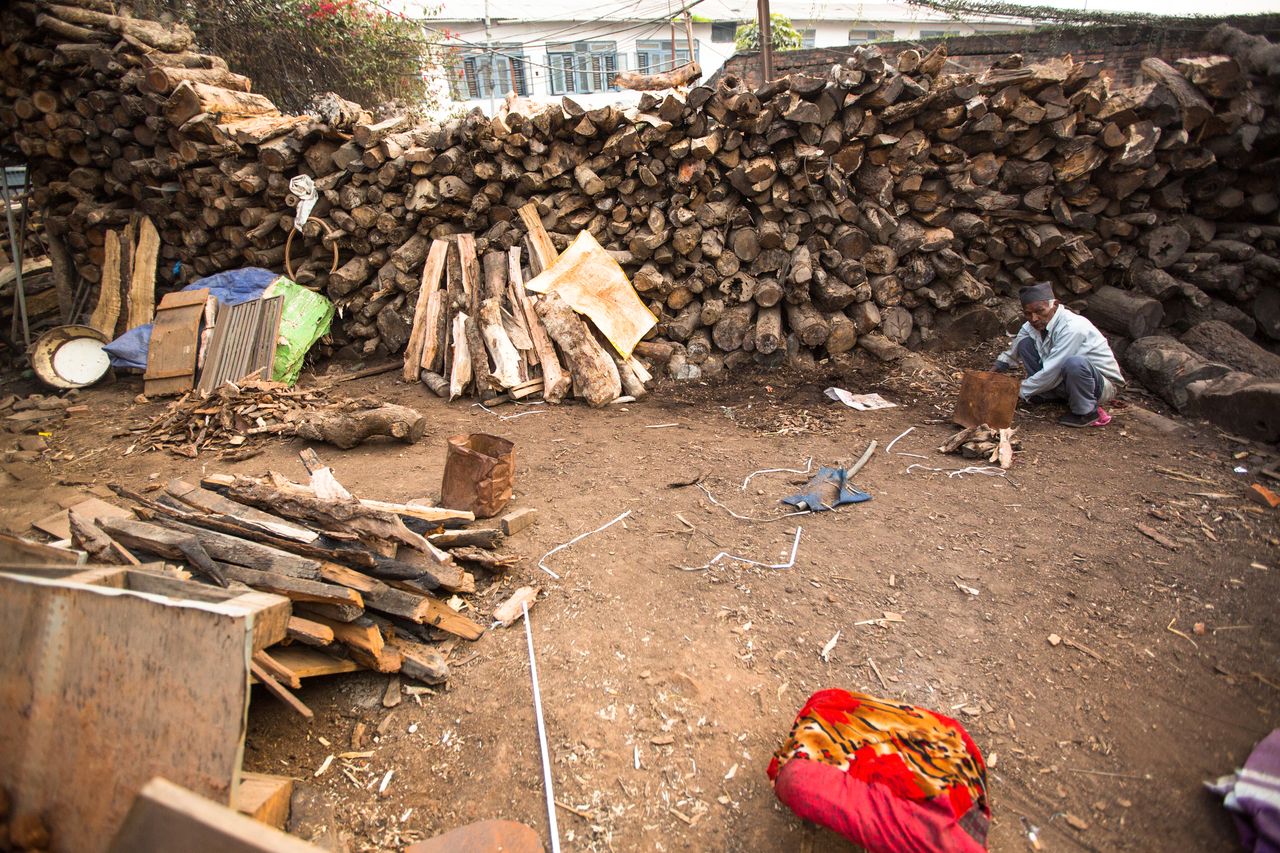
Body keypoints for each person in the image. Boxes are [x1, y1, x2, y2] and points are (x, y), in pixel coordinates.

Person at [993, 281, 1124, 428]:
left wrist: (1016, 391)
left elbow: (1053, 370)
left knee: (1074, 363)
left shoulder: (1072, 327)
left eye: (1040, 311)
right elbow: (1013, 351)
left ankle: (1086, 412)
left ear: (1054, 305)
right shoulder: (1031, 325)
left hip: (1100, 385)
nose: (1034, 318)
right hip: (1066, 378)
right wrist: (996, 370)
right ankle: (1047, 394)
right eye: (1028, 314)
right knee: (1025, 343)